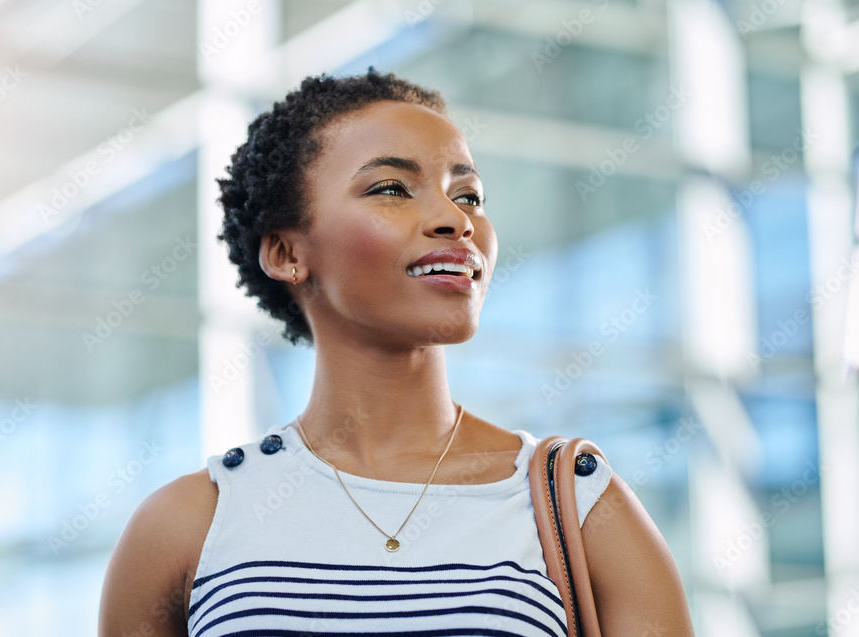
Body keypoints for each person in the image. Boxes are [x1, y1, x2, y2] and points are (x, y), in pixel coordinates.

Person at [99, 68, 694, 637]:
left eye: (470, 195)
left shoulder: (582, 506)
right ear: (285, 253)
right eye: (391, 188)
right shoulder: (188, 524)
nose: (453, 219)